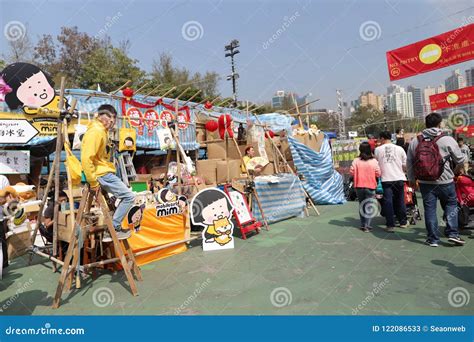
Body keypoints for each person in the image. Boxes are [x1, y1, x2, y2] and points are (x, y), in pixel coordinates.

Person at [407, 112, 466, 247]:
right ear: (439, 124)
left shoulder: (416, 141)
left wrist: (411, 179)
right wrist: (456, 170)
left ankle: (433, 239)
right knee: (451, 205)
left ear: (425, 124)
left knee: (430, 209)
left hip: (425, 182)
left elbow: (409, 161)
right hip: (446, 180)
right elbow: (460, 159)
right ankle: (452, 234)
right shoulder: (447, 139)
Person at [81, 104, 135, 242]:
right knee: (129, 197)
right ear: (102, 118)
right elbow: (87, 158)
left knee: (121, 197)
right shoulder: (96, 132)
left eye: (114, 120)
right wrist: (93, 182)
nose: (112, 123)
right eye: (110, 119)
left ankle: (112, 228)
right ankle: (114, 229)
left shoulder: (100, 130)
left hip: (103, 171)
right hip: (101, 173)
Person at [374, 131, 408, 232]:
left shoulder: (377, 150)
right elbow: (405, 164)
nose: (379, 141)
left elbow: (376, 164)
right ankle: (403, 222)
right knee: (400, 200)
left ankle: (390, 224)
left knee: (388, 202)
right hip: (399, 177)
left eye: (380, 139)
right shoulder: (400, 148)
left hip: (386, 179)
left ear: (383, 138)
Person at [350, 142, 381, 232]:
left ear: (360, 150)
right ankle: (367, 225)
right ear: (370, 150)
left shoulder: (356, 161)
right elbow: (378, 173)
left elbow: (351, 172)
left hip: (359, 186)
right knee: (369, 206)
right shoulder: (374, 161)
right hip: (370, 186)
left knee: (361, 205)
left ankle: (363, 224)